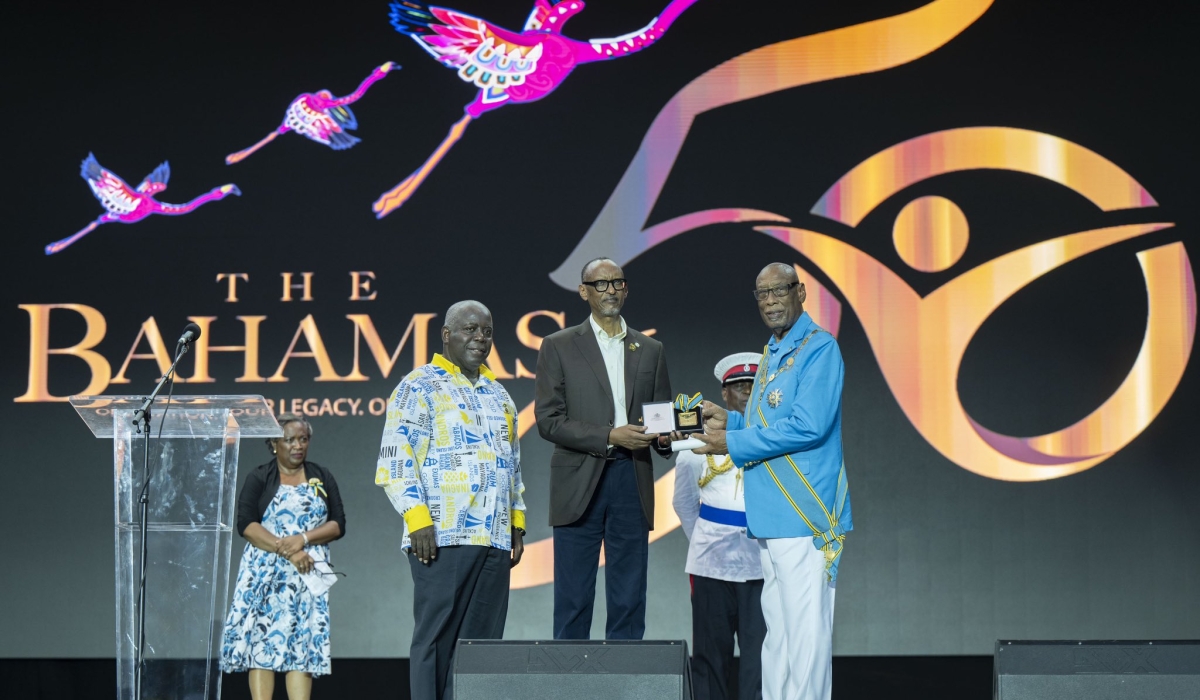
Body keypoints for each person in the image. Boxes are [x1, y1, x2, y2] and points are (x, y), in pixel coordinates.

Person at [692, 263, 852, 700]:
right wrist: (734, 421)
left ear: (800, 292)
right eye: (761, 294)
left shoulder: (819, 348)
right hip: (770, 516)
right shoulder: (773, 352)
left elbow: (808, 426)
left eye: (779, 291)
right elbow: (769, 423)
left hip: (804, 511)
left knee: (806, 635)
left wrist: (733, 441)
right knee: (778, 635)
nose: (770, 301)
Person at [375, 300, 526, 700]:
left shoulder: (499, 395)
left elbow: (512, 465)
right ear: (446, 335)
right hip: (442, 534)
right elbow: (395, 459)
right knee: (436, 639)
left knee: (482, 649)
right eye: (470, 330)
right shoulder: (417, 385)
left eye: (487, 332)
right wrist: (417, 517)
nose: (480, 338)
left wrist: (516, 523)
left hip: (493, 538)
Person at [534, 257, 674, 640]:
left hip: (631, 476)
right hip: (579, 480)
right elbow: (548, 421)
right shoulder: (559, 346)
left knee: (629, 597)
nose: (610, 290)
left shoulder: (650, 349)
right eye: (601, 284)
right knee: (574, 597)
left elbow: (660, 416)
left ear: (626, 289)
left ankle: (624, 686)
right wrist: (611, 435)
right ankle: (570, 688)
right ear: (584, 292)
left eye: (617, 282)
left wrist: (664, 437)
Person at [220, 414, 346, 700]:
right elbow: (246, 524)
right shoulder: (259, 477)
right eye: (289, 440)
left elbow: (338, 524)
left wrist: (302, 540)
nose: (297, 445)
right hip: (264, 574)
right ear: (274, 444)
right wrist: (286, 549)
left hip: (306, 576)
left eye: (303, 439)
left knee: (301, 644)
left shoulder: (321, 476)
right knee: (262, 643)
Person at [673, 353, 766, 700]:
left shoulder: (774, 440)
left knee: (761, 658)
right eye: (737, 387)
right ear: (724, 395)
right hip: (711, 563)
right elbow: (683, 502)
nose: (744, 393)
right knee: (710, 657)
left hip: (762, 561)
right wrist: (707, 538)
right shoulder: (696, 442)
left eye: (752, 386)